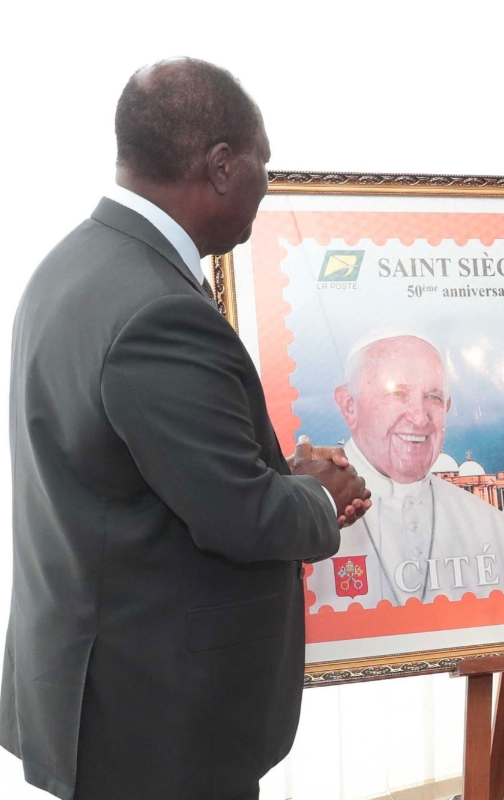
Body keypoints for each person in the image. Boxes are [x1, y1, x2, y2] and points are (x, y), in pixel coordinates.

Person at [0, 59, 373, 800]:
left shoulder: (69, 266)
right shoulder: (159, 310)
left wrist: (281, 474)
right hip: (156, 724)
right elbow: (240, 515)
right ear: (223, 165)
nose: (269, 185)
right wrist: (319, 494)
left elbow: (145, 473)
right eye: (265, 163)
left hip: (100, 692)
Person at [308, 334, 504, 609]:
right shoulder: (300, 514)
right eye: (397, 394)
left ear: (446, 408)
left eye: (433, 397)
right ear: (350, 405)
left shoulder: (492, 527)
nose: (420, 418)